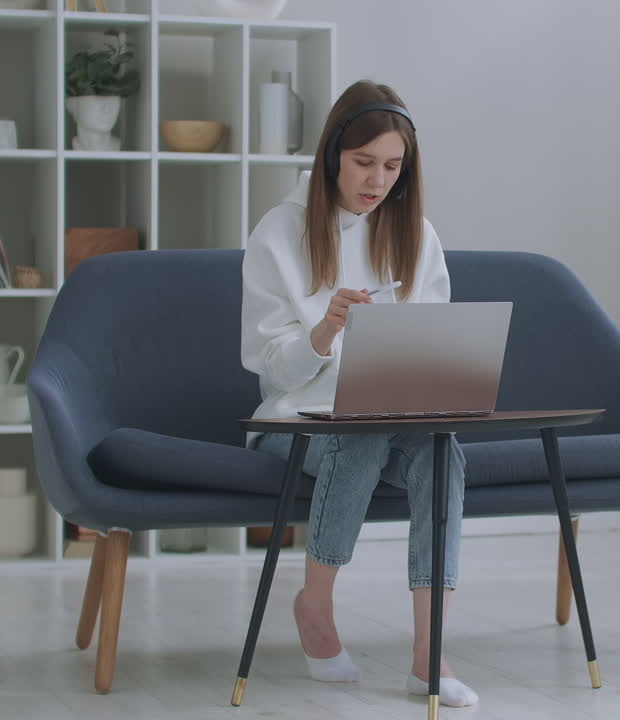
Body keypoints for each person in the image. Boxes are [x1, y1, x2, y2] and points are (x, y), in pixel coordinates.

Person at [240, 80, 478, 708]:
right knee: (358, 435)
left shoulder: (414, 234)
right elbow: (268, 367)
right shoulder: (278, 233)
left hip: (390, 417)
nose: (377, 181)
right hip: (292, 422)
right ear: (332, 158)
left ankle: (430, 648)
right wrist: (323, 332)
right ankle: (315, 606)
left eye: (392, 167)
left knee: (440, 449)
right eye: (364, 163)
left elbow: (435, 345)